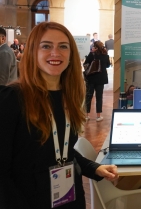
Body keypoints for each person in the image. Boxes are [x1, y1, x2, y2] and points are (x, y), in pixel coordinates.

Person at [0, 22, 118, 209]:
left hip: (69, 198)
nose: (56, 53)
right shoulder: (11, 99)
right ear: (32, 52)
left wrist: (94, 168)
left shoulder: (68, 96)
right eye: (46, 46)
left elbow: (64, 153)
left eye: (63, 46)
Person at [84, 41, 110, 122]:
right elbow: (108, 65)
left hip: (91, 78)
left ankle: (87, 115)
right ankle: (98, 116)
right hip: (100, 79)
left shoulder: (92, 55)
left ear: (95, 47)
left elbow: (85, 64)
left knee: (88, 96)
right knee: (99, 97)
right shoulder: (105, 55)